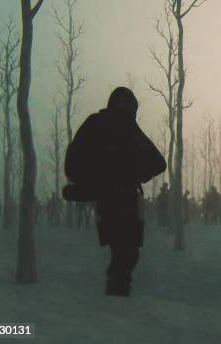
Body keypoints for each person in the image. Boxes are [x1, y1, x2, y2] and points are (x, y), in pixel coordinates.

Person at [64, 87, 166, 297]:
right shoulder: (118, 126)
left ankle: (116, 293)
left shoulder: (98, 124)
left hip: (114, 198)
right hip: (120, 199)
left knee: (123, 253)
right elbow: (157, 163)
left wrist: (100, 181)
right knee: (125, 254)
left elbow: (72, 165)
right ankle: (116, 296)